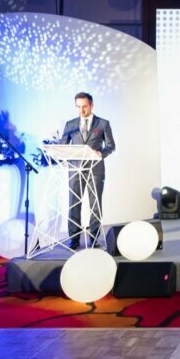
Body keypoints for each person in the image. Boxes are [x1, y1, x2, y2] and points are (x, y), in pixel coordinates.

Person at [59, 91, 115, 248]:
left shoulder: (103, 124)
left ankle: (94, 237)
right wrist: (59, 153)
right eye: (78, 107)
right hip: (75, 169)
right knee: (74, 203)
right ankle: (74, 239)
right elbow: (63, 146)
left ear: (91, 105)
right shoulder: (70, 125)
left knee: (95, 204)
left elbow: (111, 146)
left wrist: (101, 153)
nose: (81, 110)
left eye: (84, 106)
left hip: (95, 169)